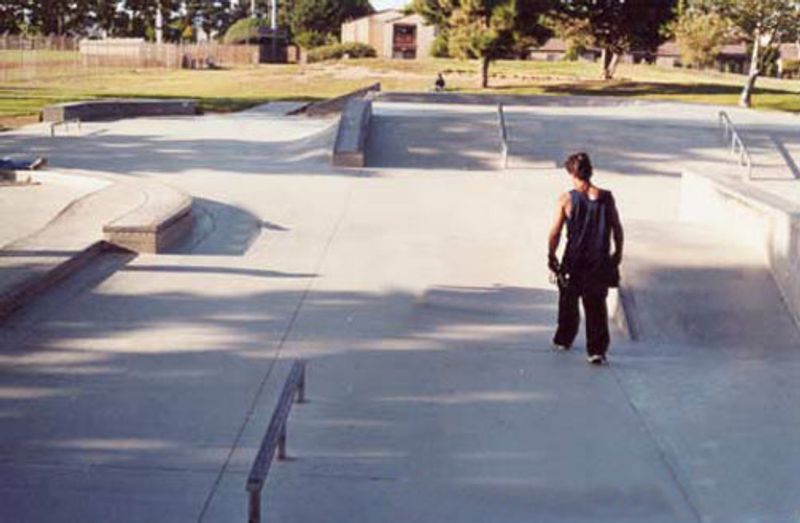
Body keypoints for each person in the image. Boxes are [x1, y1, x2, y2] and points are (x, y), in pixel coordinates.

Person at [547, 152, 624, 365]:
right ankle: (596, 350)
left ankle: (564, 338)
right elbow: (617, 228)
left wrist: (551, 255)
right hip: (598, 261)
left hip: (573, 260)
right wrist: (617, 253)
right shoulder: (606, 198)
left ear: (573, 173)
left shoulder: (566, 199)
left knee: (568, 301)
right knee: (596, 306)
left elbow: (555, 232)